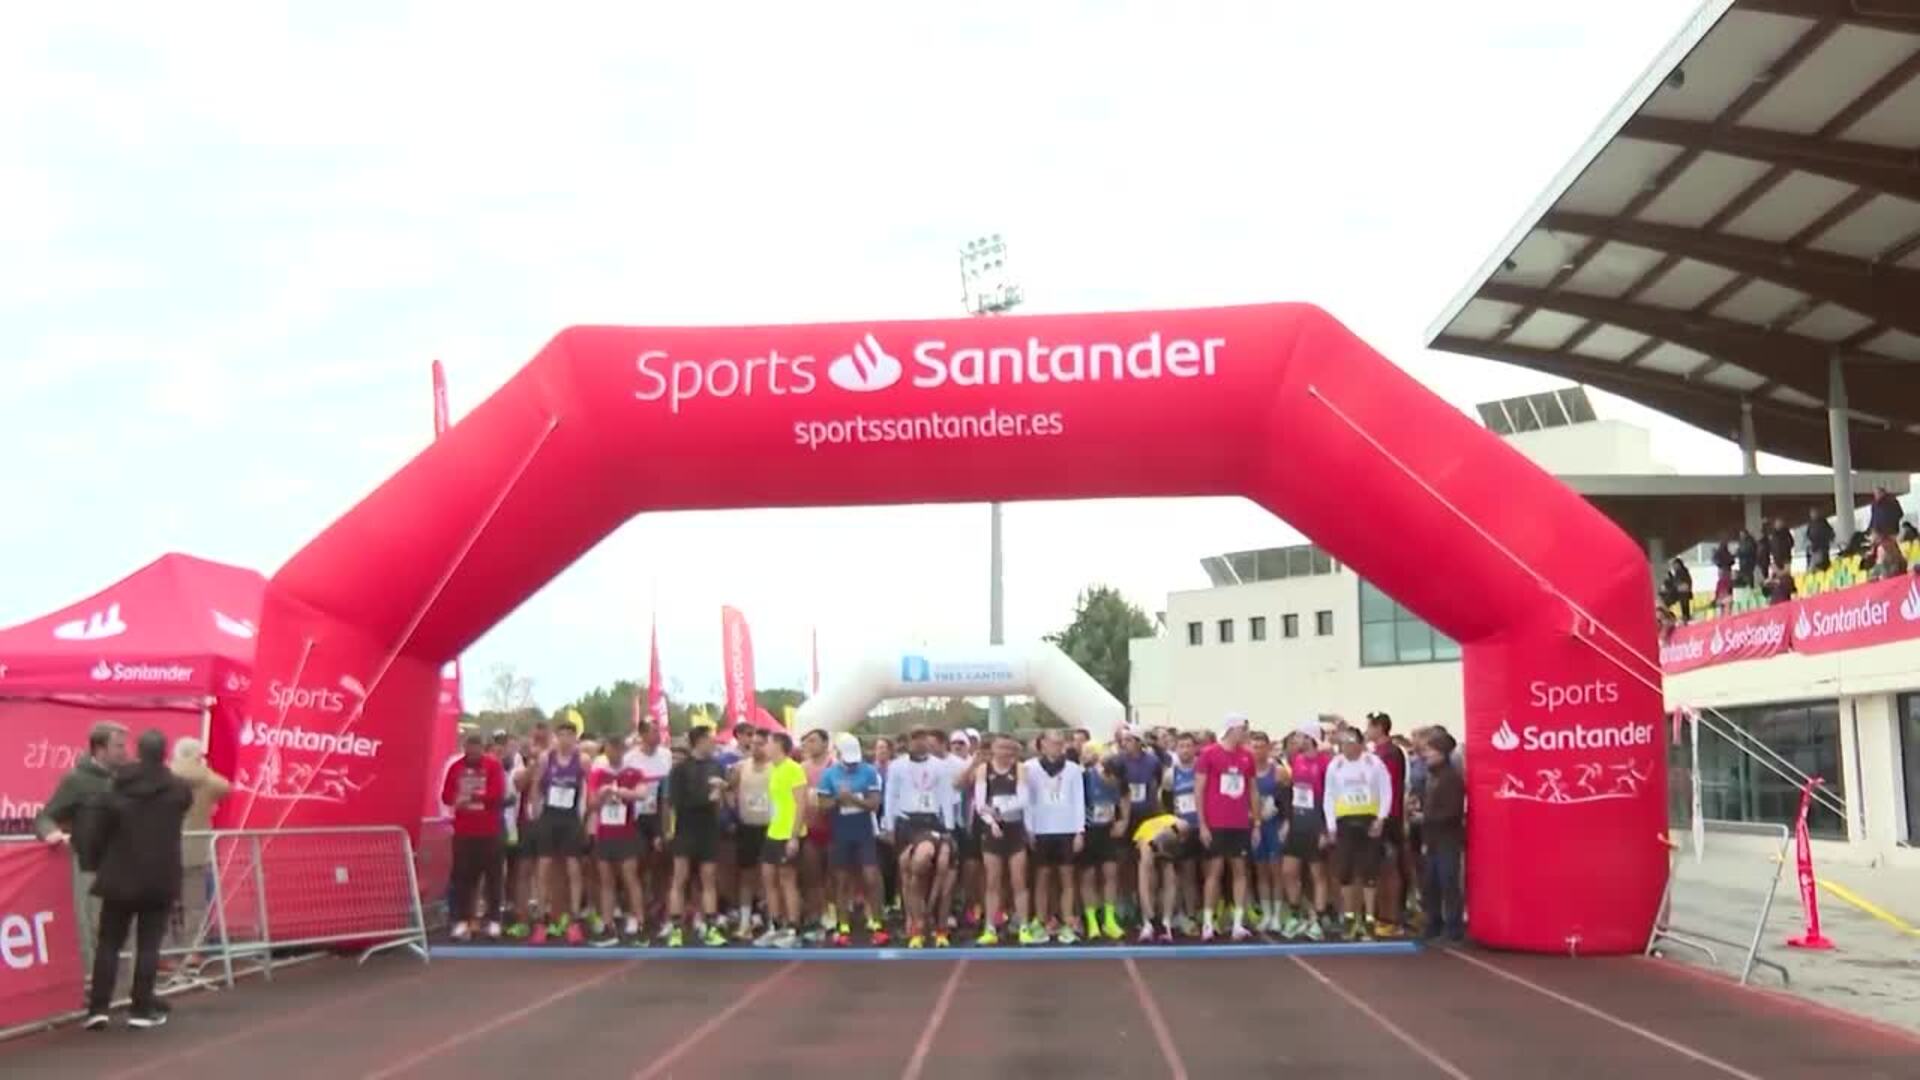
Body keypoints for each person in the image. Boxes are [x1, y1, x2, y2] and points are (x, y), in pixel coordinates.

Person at [83, 729, 191, 1030]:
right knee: (148, 945)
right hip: (159, 877)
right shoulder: (178, 790)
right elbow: (183, 805)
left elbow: (98, 829)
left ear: (139, 751)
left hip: (119, 875)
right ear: (164, 752)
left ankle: (98, 1008)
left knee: (108, 943)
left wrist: (97, 861)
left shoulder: (117, 787)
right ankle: (141, 1009)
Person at [885, 728, 954, 948]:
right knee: (906, 872)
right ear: (908, 742)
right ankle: (914, 921)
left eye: (923, 738)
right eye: (914, 739)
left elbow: (946, 796)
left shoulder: (939, 766)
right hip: (906, 822)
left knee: (924, 862)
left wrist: (949, 828)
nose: (919, 743)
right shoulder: (897, 766)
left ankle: (929, 916)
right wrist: (888, 825)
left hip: (930, 822)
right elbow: (890, 795)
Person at [816, 734, 887, 946]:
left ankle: (877, 923)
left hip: (863, 830)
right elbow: (823, 806)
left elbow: (874, 804)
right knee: (842, 880)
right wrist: (838, 799)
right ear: (838, 755)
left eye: (854, 761)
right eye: (848, 762)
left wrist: (854, 798)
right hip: (841, 831)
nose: (851, 766)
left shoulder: (869, 772)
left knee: (871, 876)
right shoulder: (829, 774)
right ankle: (843, 926)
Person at [1322, 727, 1392, 941]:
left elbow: (1386, 790)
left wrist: (1381, 818)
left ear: (1360, 744)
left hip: (1368, 820)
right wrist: (1331, 826)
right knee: (1345, 872)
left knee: (1369, 871)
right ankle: (1350, 918)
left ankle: (1369, 918)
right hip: (1344, 822)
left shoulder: (1373, 763)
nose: (1347, 747)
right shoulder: (1336, 764)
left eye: (1351, 743)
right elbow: (1329, 795)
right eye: (1344, 743)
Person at [1195, 715, 1259, 941]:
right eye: (1243, 729)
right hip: (1216, 822)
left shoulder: (1247, 756)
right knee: (1214, 871)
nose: (1246, 733)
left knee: (1240, 871)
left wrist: (1256, 822)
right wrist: (1202, 824)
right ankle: (1207, 923)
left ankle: (1238, 923)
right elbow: (1199, 789)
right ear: (1232, 729)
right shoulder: (1209, 754)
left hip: (1239, 823)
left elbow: (1252, 790)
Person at [167, 736, 231, 964]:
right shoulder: (207, 780)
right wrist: (205, 768)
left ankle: (165, 951)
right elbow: (226, 787)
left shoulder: (165, 775)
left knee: (163, 904)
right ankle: (192, 950)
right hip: (195, 849)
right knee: (194, 905)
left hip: (166, 849)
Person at [664, 726, 729, 947]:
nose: (714, 743)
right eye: (710, 740)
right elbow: (675, 802)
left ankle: (710, 928)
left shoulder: (717, 766)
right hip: (686, 830)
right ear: (699, 741)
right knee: (679, 879)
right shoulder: (680, 770)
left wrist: (722, 791)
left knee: (709, 879)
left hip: (709, 830)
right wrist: (706, 798)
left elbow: (721, 801)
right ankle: (675, 929)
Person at [441, 730, 507, 941]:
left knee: (493, 877)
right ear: (464, 747)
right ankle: (462, 921)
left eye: (477, 747)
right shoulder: (455, 767)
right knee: (463, 878)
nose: (473, 751)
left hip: (489, 831)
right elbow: (446, 796)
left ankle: (494, 920)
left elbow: (497, 794)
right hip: (464, 832)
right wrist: (457, 799)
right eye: (469, 747)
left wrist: (473, 796)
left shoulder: (493, 766)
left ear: (482, 748)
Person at [528, 721, 589, 945]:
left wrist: (585, 819)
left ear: (574, 738)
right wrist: (536, 814)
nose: (565, 740)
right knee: (543, 867)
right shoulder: (547, 758)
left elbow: (588, 789)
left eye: (569, 736)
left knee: (574, 868)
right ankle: (541, 920)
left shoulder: (582, 760)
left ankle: (574, 920)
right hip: (549, 817)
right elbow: (536, 786)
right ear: (556, 737)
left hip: (571, 818)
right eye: (561, 735)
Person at [1023, 730, 1086, 944]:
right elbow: (1027, 800)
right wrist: (1029, 829)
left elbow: (1079, 800)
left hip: (1066, 829)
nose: (1056, 747)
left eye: (1060, 743)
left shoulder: (1073, 769)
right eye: (1052, 743)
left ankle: (1068, 922)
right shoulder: (1029, 768)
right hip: (1040, 829)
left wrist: (1079, 831)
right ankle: (1041, 922)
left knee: (1067, 878)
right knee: (1042, 878)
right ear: (1042, 744)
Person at [588, 732, 648, 943]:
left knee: (630, 877)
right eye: (609, 748)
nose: (613, 752)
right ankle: (607, 923)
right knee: (606, 880)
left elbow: (642, 793)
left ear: (623, 750)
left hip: (626, 833)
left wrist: (620, 792)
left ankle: (639, 920)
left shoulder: (633, 772)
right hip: (605, 832)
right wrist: (602, 794)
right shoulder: (598, 774)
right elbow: (591, 804)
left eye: (617, 748)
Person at [753, 733, 811, 948]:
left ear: (779, 745)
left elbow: (801, 805)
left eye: (768, 743)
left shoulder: (793, 769)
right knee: (768, 878)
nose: (764, 747)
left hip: (789, 834)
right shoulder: (773, 769)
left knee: (788, 880)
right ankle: (776, 925)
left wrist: (794, 837)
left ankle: (794, 929)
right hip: (773, 832)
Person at [970, 734, 1029, 946]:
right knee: (993, 880)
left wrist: (998, 810)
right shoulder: (983, 770)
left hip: (1015, 829)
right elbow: (980, 804)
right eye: (1001, 747)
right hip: (992, 829)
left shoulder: (1019, 769)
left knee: (1018, 879)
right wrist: (992, 822)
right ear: (993, 749)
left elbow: (1023, 800)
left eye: (1009, 748)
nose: (1005, 752)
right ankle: (990, 928)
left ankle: (1024, 926)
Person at [1279, 723, 1332, 941]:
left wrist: (1325, 829)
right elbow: (1293, 793)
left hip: (1316, 824)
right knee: (1288, 871)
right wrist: (1288, 822)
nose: (1297, 740)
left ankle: (1318, 920)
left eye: (1301, 736)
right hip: (1297, 823)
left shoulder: (1325, 763)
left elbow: (1330, 796)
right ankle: (1295, 915)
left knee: (1317, 874)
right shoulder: (1297, 760)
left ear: (1311, 738)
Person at [1417, 731, 1467, 943]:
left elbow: (1453, 812)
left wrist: (1426, 817)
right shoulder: (1432, 777)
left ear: (1442, 753)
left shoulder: (1451, 778)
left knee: (1448, 883)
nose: (1426, 754)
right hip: (1432, 840)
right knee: (1431, 884)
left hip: (1447, 839)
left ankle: (1453, 927)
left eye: (1430, 750)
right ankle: (1434, 924)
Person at [1364, 712, 1409, 937]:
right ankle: (1383, 916)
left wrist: (1381, 817)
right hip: (1377, 817)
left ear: (1380, 727)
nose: (1367, 730)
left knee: (1389, 869)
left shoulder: (1391, 753)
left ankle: (1392, 919)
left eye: (1369, 726)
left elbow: (1386, 788)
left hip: (1389, 818)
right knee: (1378, 869)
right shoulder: (1376, 753)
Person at [1077, 744, 1128, 942]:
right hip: (1089, 831)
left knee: (1111, 874)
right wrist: (1078, 831)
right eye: (1111, 779)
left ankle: (1109, 919)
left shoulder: (1119, 780)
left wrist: (1123, 820)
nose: (1113, 783)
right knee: (1088, 877)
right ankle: (1092, 922)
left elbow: (1125, 797)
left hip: (1108, 831)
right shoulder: (1087, 778)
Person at [729, 726, 773, 939]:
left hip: (770, 827)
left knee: (769, 877)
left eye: (760, 744)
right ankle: (745, 922)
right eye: (753, 743)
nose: (755, 747)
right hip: (747, 827)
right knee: (746, 876)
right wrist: (734, 807)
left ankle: (772, 922)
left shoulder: (776, 768)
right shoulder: (740, 767)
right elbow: (729, 789)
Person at [1131, 810, 1192, 943]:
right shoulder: (1146, 848)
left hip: (1169, 835)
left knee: (1170, 876)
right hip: (1147, 834)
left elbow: (1184, 828)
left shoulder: (1181, 827)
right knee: (1150, 880)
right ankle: (1147, 924)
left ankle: (1167, 922)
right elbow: (1143, 887)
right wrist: (1152, 919)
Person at [1247, 731, 1287, 933]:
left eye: (1261, 747)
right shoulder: (1246, 771)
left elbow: (1288, 799)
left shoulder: (1278, 771)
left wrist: (1284, 821)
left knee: (1276, 871)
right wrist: (1249, 813)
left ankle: (1277, 915)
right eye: (1254, 747)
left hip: (1273, 825)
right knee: (1261, 871)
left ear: (1268, 748)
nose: (1257, 751)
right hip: (1255, 825)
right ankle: (1267, 913)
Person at [1806, 508, 1835, 573]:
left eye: (1814, 513)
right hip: (1815, 548)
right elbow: (1808, 534)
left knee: (1820, 564)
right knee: (1815, 565)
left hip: (1822, 547)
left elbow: (1830, 532)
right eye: (1812, 514)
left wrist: (1829, 539)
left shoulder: (1823, 522)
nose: (1813, 515)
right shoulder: (1811, 524)